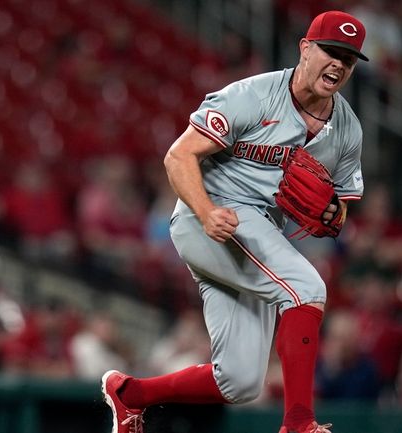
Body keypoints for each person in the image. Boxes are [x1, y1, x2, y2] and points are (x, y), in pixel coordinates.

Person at [101, 10, 367, 433]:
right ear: (304, 48)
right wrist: (206, 211)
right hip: (210, 216)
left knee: (240, 381)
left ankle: (131, 395)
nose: (337, 63)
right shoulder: (252, 96)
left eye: (348, 59)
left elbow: (343, 204)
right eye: (330, 51)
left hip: (258, 231)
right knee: (307, 288)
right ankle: (299, 423)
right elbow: (178, 155)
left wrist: (334, 213)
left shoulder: (346, 129)